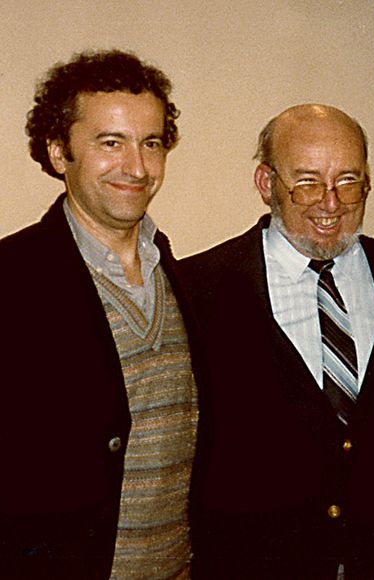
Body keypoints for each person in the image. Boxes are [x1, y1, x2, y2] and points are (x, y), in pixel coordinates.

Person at [0, 49, 198, 579]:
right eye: (111, 142)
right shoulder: (12, 281)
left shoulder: (187, 278)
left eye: (150, 143)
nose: (137, 167)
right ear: (58, 151)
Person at [181, 104, 374, 579]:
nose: (331, 203)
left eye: (348, 180)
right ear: (266, 183)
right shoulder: (197, 290)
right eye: (307, 181)